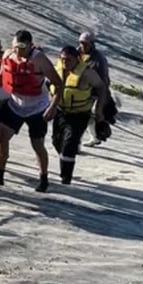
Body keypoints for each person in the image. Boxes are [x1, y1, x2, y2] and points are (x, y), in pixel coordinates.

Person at [0, 30, 64, 192]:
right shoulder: (9, 55)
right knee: (2, 135)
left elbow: (59, 84)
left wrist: (52, 106)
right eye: (15, 46)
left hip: (37, 108)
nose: (18, 50)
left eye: (21, 47)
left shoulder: (39, 60)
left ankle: (43, 178)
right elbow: (1, 78)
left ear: (30, 45)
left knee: (37, 144)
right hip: (15, 104)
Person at [49, 45, 110, 184]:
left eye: (69, 60)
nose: (65, 63)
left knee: (70, 143)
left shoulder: (87, 73)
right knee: (56, 141)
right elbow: (51, 88)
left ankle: (66, 177)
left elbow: (101, 88)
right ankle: (64, 163)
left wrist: (99, 110)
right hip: (61, 111)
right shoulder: (57, 70)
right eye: (63, 59)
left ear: (77, 59)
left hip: (80, 114)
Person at [78, 30, 117, 147]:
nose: (82, 45)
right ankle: (93, 137)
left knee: (88, 116)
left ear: (92, 43)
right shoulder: (75, 54)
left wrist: (102, 98)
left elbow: (104, 81)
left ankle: (77, 143)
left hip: (94, 92)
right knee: (84, 117)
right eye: (81, 42)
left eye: (85, 43)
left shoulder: (99, 59)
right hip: (78, 91)